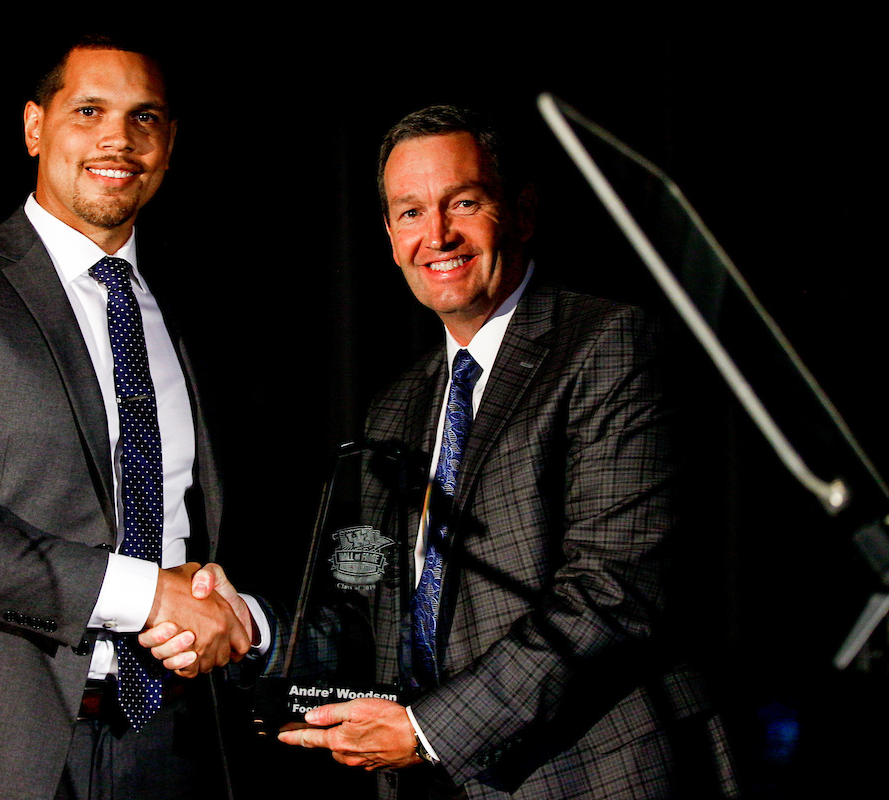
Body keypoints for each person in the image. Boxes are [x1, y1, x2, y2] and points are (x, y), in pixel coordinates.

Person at [0, 34, 263, 800]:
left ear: (170, 142)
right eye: (90, 111)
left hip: (173, 739)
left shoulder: (199, 305)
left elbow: (226, 524)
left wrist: (238, 616)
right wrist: (146, 593)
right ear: (35, 126)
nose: (119, 139)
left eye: (145, 118)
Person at [276, 106, 737, 798]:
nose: (436, 235)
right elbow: (370, 607)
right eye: (409, 212)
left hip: (595, 773)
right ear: (389, 235)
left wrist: (430, 733)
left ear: (521, 212)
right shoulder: (396, 409)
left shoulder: (608, 346)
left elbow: (614, 594)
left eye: (463, 203)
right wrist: (253, 628)